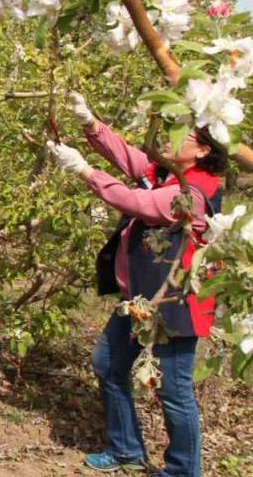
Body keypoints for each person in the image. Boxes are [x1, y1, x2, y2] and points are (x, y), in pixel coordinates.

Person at [49, 93, 224, 477]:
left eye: (181, 134)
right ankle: (126, 449)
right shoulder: (166, 172)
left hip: (175, 304)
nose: (168, 137)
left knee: (173, 389)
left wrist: (84, 170)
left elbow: (135, 202)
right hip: (141, 298)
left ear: (202, 150)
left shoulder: (193, 192)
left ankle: (183, 471)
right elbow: (130, 158)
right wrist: (90, 123)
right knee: (108, 363)